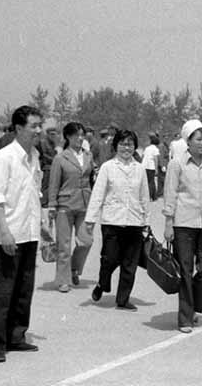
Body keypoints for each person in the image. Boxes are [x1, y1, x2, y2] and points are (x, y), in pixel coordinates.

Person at [0, 106, 44, 363]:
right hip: (7, 235)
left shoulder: (34, 156)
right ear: (19, 128)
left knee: (23, 290)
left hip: (28, 233)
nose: (38, 130)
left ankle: (15, 336)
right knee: (0, 292)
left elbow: (32, 193)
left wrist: (43, 225)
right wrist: (4, 232)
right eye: (34, 126)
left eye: (40, 125)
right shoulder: (4, 157)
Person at [163, 119, 202, 333]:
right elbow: (170, 193)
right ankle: (185, 317)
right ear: (187, 141)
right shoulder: (177, 164)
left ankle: (195, 306)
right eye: (198, 139)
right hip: (183, 223)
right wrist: (168, 223)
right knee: (186, 270)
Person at [85, 129, 149, 309]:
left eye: (130, 144)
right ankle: (102, 283)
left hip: (134, 221)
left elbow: (144, 196)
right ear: (115, 146)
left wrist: (146, 221)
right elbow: (98, 194)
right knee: (110, 259)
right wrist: (90, 220)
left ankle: (123, 298)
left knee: (130, 263)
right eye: (122, 144)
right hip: (112, 221)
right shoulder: (107, 167)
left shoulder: (140, 169)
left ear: (135, 147)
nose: (126, 148)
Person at [47, 122, 94, 293]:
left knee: (86, 241)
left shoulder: (88, 156)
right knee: (64, 245)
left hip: (84, 204)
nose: (80, 138)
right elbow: (53, 184)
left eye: (82, 135)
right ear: (68, 137)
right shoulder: (61, 158)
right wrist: (52, 205)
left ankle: (74, 269)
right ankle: (63, 280)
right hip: (65, 205)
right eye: (76, 135)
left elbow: (92, 179)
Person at [141, 133, 161, 201]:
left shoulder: (147, 148)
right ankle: (151, 196)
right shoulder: (155, 149)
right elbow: (155, 159)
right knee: (151, 182)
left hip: (144, 166)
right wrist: (156, 169)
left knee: (147, 182)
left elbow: (143, 156)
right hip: (151, 167)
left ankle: (153, 196)